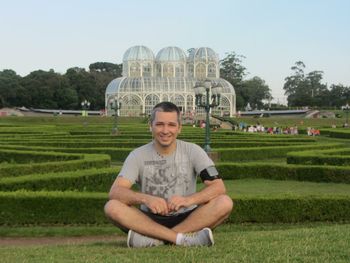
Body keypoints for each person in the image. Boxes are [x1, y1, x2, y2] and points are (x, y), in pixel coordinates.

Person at [104, 102, 233, 248]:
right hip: (149, 219)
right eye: (159, 124)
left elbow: (218, 187)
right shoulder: (137, 155)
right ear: (150, 126)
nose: (165, 130)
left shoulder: (193, 151)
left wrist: (188, 200)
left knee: (224, 202)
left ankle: (157, 239)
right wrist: (146, 199)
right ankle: (181, 239)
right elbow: (116, 191)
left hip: (189, 217)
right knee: (112, 207)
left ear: (179, 128)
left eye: (171, 125)